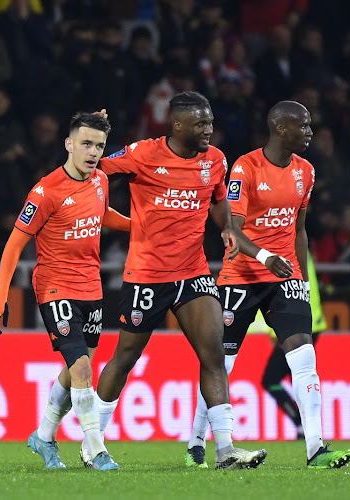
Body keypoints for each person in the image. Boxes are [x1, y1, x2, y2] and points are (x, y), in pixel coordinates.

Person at [93, 91, 267, 470]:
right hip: (147, 276)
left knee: (214, 354)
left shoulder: (216, 161)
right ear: (177, 125)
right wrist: (90, 136)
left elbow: (221, 206)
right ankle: (92, 442)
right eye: (201, 123)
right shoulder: (142, 154)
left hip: (193, 273)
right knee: (125, 357)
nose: (209, 129)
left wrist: (230, 230)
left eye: (210, 122)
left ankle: (225, 450)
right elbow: (92, 171)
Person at [185, 101, 350, 469]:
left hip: (285, 278)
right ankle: (196, 441)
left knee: (304, 357)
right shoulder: (245, 168)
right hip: (241, 277)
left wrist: (303, 283)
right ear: (281, 129)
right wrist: (264, 257)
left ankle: (316, 449)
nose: (309, 133)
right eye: (304, 127)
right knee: (220, 364)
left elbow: (300, 230)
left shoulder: (305, 172)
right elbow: (233, 230)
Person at [0, 112, 129, 471]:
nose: (93, 152)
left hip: (91, 287)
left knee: (75, 371)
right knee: (81, 369)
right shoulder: (46, 190)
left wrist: (138, 227)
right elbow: (14, 245)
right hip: (55, 286)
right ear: (68, 144)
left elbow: (101, 214)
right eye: (86, 143)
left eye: (99, 145)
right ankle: (97, 450)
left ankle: (43, 436)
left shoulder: (100, 180)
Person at [258, 251, 326, 439]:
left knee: (271, 381)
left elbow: (284, 289)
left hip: (295, 325)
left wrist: (274, 331)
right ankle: (306, 425)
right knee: (298, 378)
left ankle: (301, 424)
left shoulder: (282, 250)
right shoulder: (299, 247)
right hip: (311, 321)